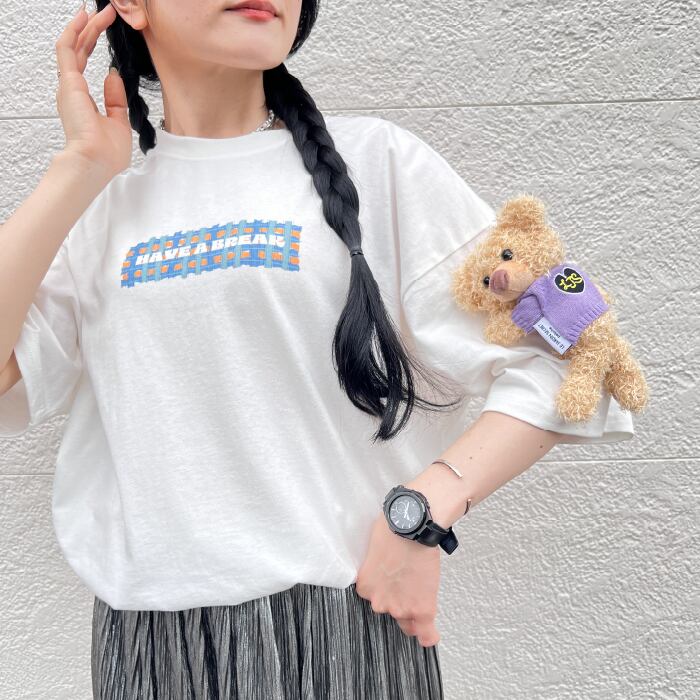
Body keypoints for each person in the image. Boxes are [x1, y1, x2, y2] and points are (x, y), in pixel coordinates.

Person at [0, 1, 635, 698]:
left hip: (342, 637)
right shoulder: (100, 210)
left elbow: (573, 352)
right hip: (148, 651)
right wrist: (79, 168)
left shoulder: (380, 164)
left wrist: (427, 506)